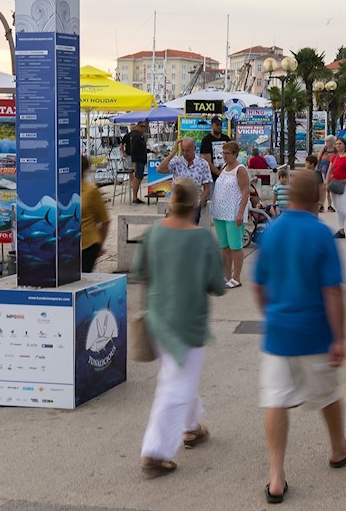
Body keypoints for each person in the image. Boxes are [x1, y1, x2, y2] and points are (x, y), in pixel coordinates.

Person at [253, 169, 346, 503]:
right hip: (314, 333)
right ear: (318, 196)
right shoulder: (321, 235)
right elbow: (332, 292)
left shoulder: (272, 232)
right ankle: (338, 448)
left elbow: (259, 285)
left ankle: (276, 477)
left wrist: (269, 314)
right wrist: (340, 338)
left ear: (290, 196)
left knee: (276, 400)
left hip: (278, 334)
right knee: (328, 394)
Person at [132, 179, 227, 476]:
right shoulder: (202, 239)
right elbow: (216, 285)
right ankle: (155, 451)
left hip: (158, 318)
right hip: (188, 322)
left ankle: (190, 427)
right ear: (196, 204)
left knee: (177, 373)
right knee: (176, 384)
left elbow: (140, 273)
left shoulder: (154, 233)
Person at [210, 141, 251, 288]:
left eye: (228, 153)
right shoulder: (224, 168)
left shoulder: (240, 170)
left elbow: (246, 192)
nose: (224, 156)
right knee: (224, 246)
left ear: (235, 154)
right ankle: (226, 275)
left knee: (235, 246)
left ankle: (236, 277)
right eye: (223, 153)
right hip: (220, 212)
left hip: (233, 212)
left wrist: (240, 212)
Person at [157, 137, 213, 224]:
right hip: (177, 203)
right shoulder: (177, 162)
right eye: (183, 150)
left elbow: (207, 188)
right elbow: (160, 169)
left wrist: (199, 205)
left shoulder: (203, 164)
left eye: (188, 150)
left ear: (194, 149)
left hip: (194, 204)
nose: (185, 153)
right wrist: (173, 152)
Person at [80, 155, 111, 273]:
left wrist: (100, 245)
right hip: (69, 246)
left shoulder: (91, 191)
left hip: (88, 245)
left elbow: (105, 220)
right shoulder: (64, 191)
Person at [128, 122, 150, 204]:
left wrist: (151, 151)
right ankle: (134, 197)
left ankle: (135, 197)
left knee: (139, 178)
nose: (143, 128)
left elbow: (142, 149)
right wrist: (134, 163)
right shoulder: (136, 137)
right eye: (141, 126)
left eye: (145, 126)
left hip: (141, 160)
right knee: (137, 178)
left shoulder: (140, 137)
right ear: (137, 127)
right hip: (138, 161)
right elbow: (133, 151)